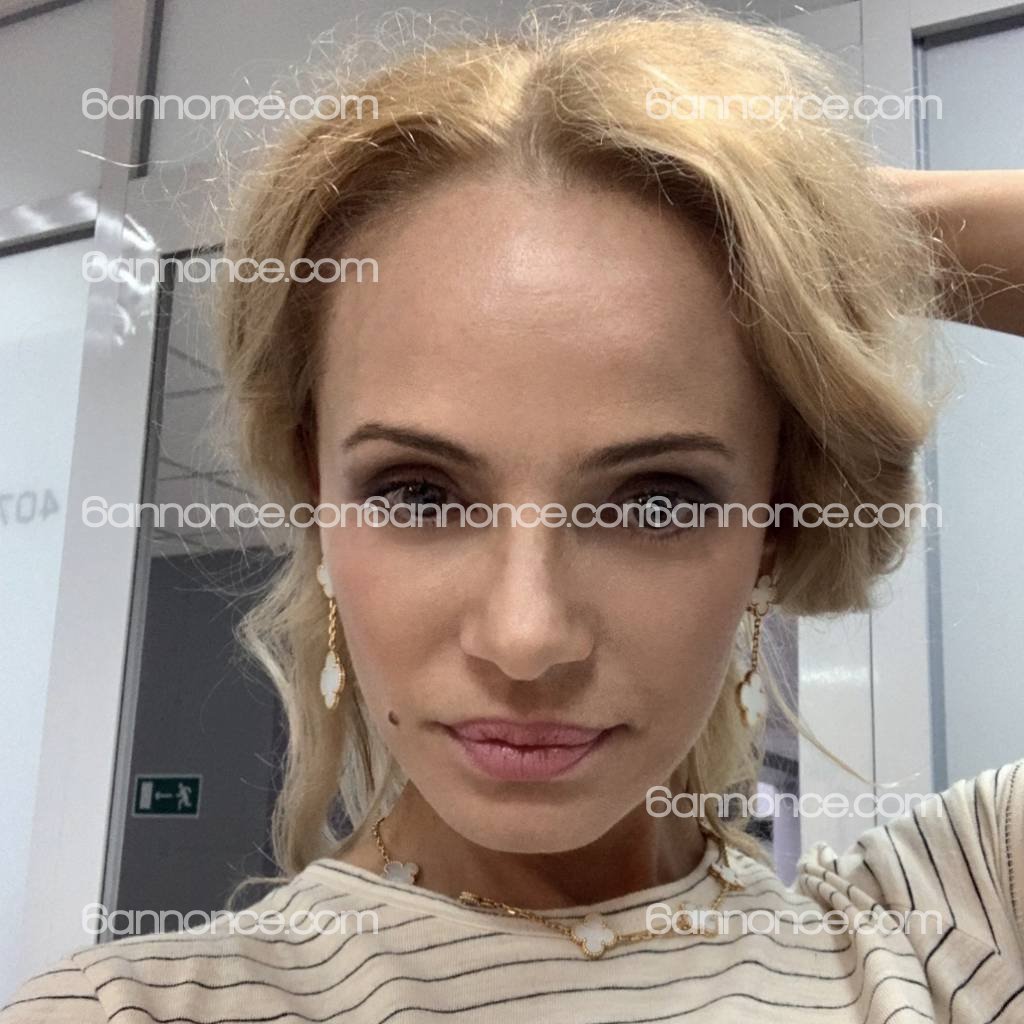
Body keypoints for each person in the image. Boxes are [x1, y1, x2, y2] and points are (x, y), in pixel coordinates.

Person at [4, 4, 1024, 1021]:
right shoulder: (126, 1010)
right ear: (318, 500)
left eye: (654, 502)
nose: (526, 639)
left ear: (777, 521)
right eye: (418, 494)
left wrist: (809, 222)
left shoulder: (952, 932)